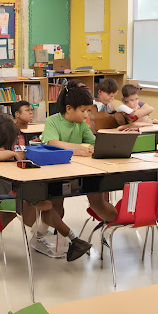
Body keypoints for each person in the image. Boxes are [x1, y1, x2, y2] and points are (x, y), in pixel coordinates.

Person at [40, 84, 119, 261]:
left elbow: (93, 143)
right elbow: (52, 143)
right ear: (69, 109)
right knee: (56, 206)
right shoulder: (52, 121)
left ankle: (119, 221)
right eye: (83, 111)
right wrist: (77, 149)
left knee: (98, 203)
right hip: (57, 173)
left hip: (83, 172)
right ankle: (46, 238)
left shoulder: (81, 124)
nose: (86, 115)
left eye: (87, 111)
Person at [0, 113, 69, 258]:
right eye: (15, 139)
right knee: (45, 205)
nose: (16, 142)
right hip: (9, 195)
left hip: (19, 191)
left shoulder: (10, 150)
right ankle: (45, 236)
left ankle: (43, 236)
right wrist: (12, 153)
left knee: (48, 201)